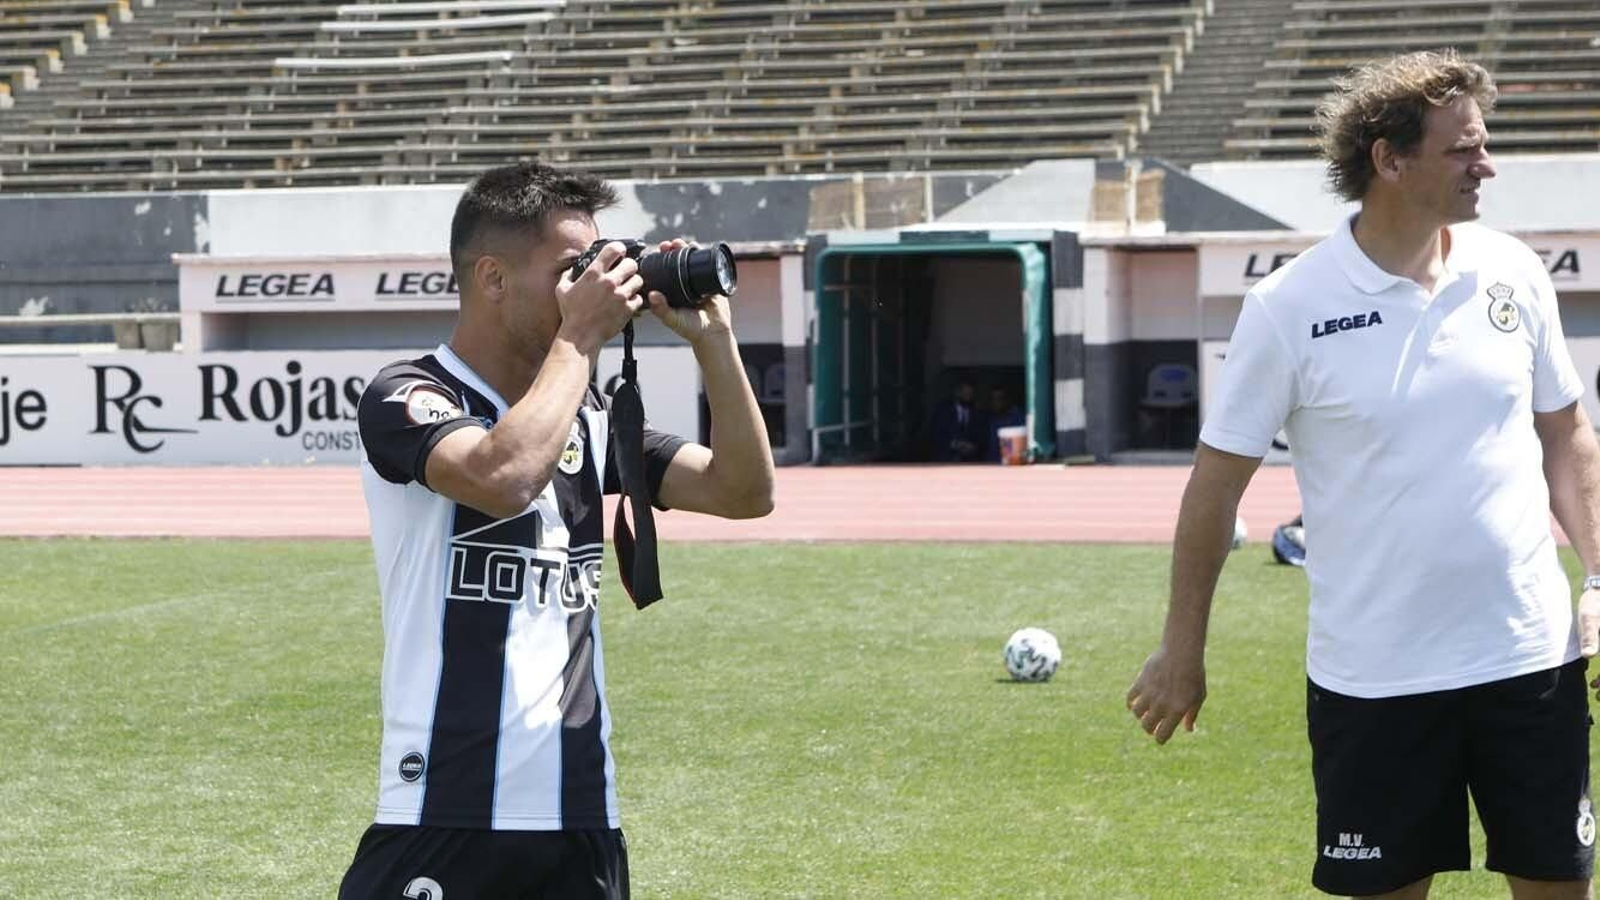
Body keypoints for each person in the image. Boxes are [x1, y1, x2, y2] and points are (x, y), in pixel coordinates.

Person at [1125, 50, 1600, 900]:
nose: (1484, 165)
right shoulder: (1290, 307)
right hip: (1375, 679)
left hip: (1531, 664)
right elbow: (1213, 488)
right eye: (1462, 149)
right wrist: (1180, 648)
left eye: (1482, 145)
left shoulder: (1514, 272)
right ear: (1388, 158)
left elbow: (1566, 434)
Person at [339, 161, 775, 899]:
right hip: (444, 808)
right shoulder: (407, 393)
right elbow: (501, 478)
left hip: (580, 820)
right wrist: (580, 341)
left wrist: (714, 343)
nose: (598, 282)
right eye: (573, 268)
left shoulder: (588, 419)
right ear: (493, 278)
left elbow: (744, 491)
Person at [930, 379, 986, 462]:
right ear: (957, 393)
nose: (968, 397)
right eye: (965, 393)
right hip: (945, 461)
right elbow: (936, 435)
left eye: (970, 394)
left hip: (970, 463)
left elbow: (981, 438)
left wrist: (972, 447)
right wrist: (955, 444)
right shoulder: (943, 411)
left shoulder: (977, 413)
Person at [984, 386, 1025, 462]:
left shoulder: (1017, 416)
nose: (995, 402)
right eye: (993, 399)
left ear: (1007, 400)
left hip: (1011, 464)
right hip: (990, 464)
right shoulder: (989, 417)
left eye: (999, 399)